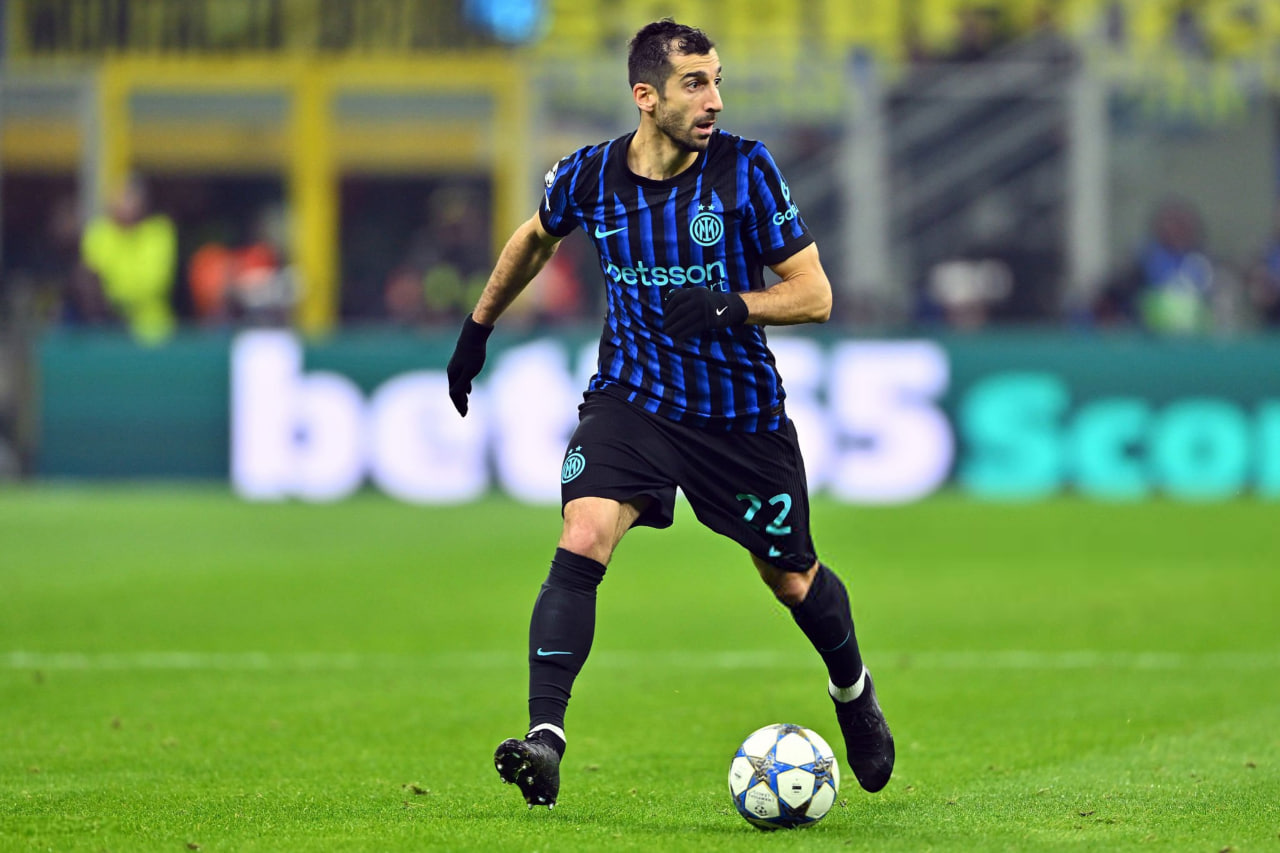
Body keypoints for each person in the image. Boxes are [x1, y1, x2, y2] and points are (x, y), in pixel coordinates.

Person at [446, 18, 894, 810]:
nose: (714, 99)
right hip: (634, 400)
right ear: (646, 97)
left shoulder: (745, 170)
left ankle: (852, 690)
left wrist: (732, 305)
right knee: (583, 532)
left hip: (737, 416)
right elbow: (535, 237)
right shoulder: (590, 175)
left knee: (791, 578)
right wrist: (477, 329)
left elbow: (816, 294)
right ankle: (545, 739)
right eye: (696, 83)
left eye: (718, 81)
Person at [78, 175, 178, 345]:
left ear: (143, 202)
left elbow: (154, 284)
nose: (125, 204)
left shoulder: (158, 232)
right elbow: (90, 283)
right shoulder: (98, 234)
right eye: (120, 197)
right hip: (105, 331)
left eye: (131, 197)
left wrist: (112, 295)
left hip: (152, 333)